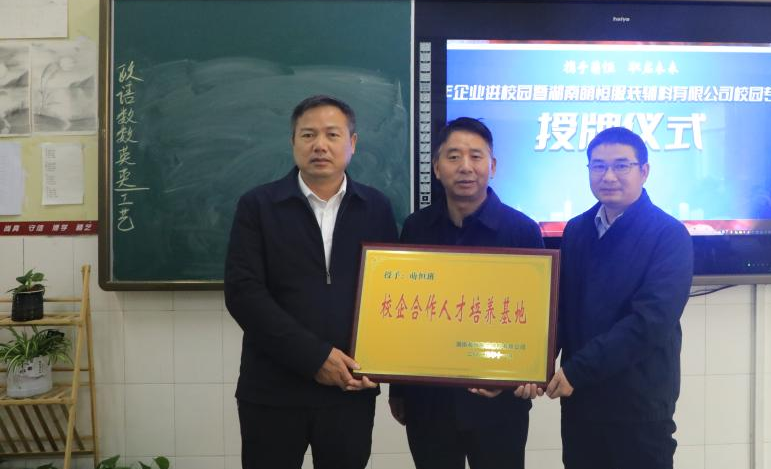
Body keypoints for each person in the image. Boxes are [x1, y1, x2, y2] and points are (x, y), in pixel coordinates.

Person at [224, 95, 398, 469]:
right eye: (308, 135)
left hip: (349, 389)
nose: (320, 145)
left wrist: (381, 363)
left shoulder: (376, 207)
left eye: (332, 134)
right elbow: (244, 294)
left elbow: (389, 294)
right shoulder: (258, 205)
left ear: (352, 143)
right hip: (272, 390)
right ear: (293, 142)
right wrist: (315, 357)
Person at [389, 117, 545, 469]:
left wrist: (522, 376)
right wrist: (399, 388)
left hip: (498, 403)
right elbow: (403, 313)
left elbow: (538, 316)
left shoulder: (522, 231)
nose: (465, 167)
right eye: (454, 156)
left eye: (476, 156)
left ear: (493, 166)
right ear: (436, 167)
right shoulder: (416, 228)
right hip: (428, 401)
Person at [546, 126, 694, 469]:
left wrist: (577, 371)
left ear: (644, 171)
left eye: (621, 165)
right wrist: (533, 365)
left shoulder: (669, 235)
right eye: (598, 166)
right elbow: (562, 310)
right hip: (581, 405)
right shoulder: (577, 229)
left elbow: (649, 323)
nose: (608, 176)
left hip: (638, 406)